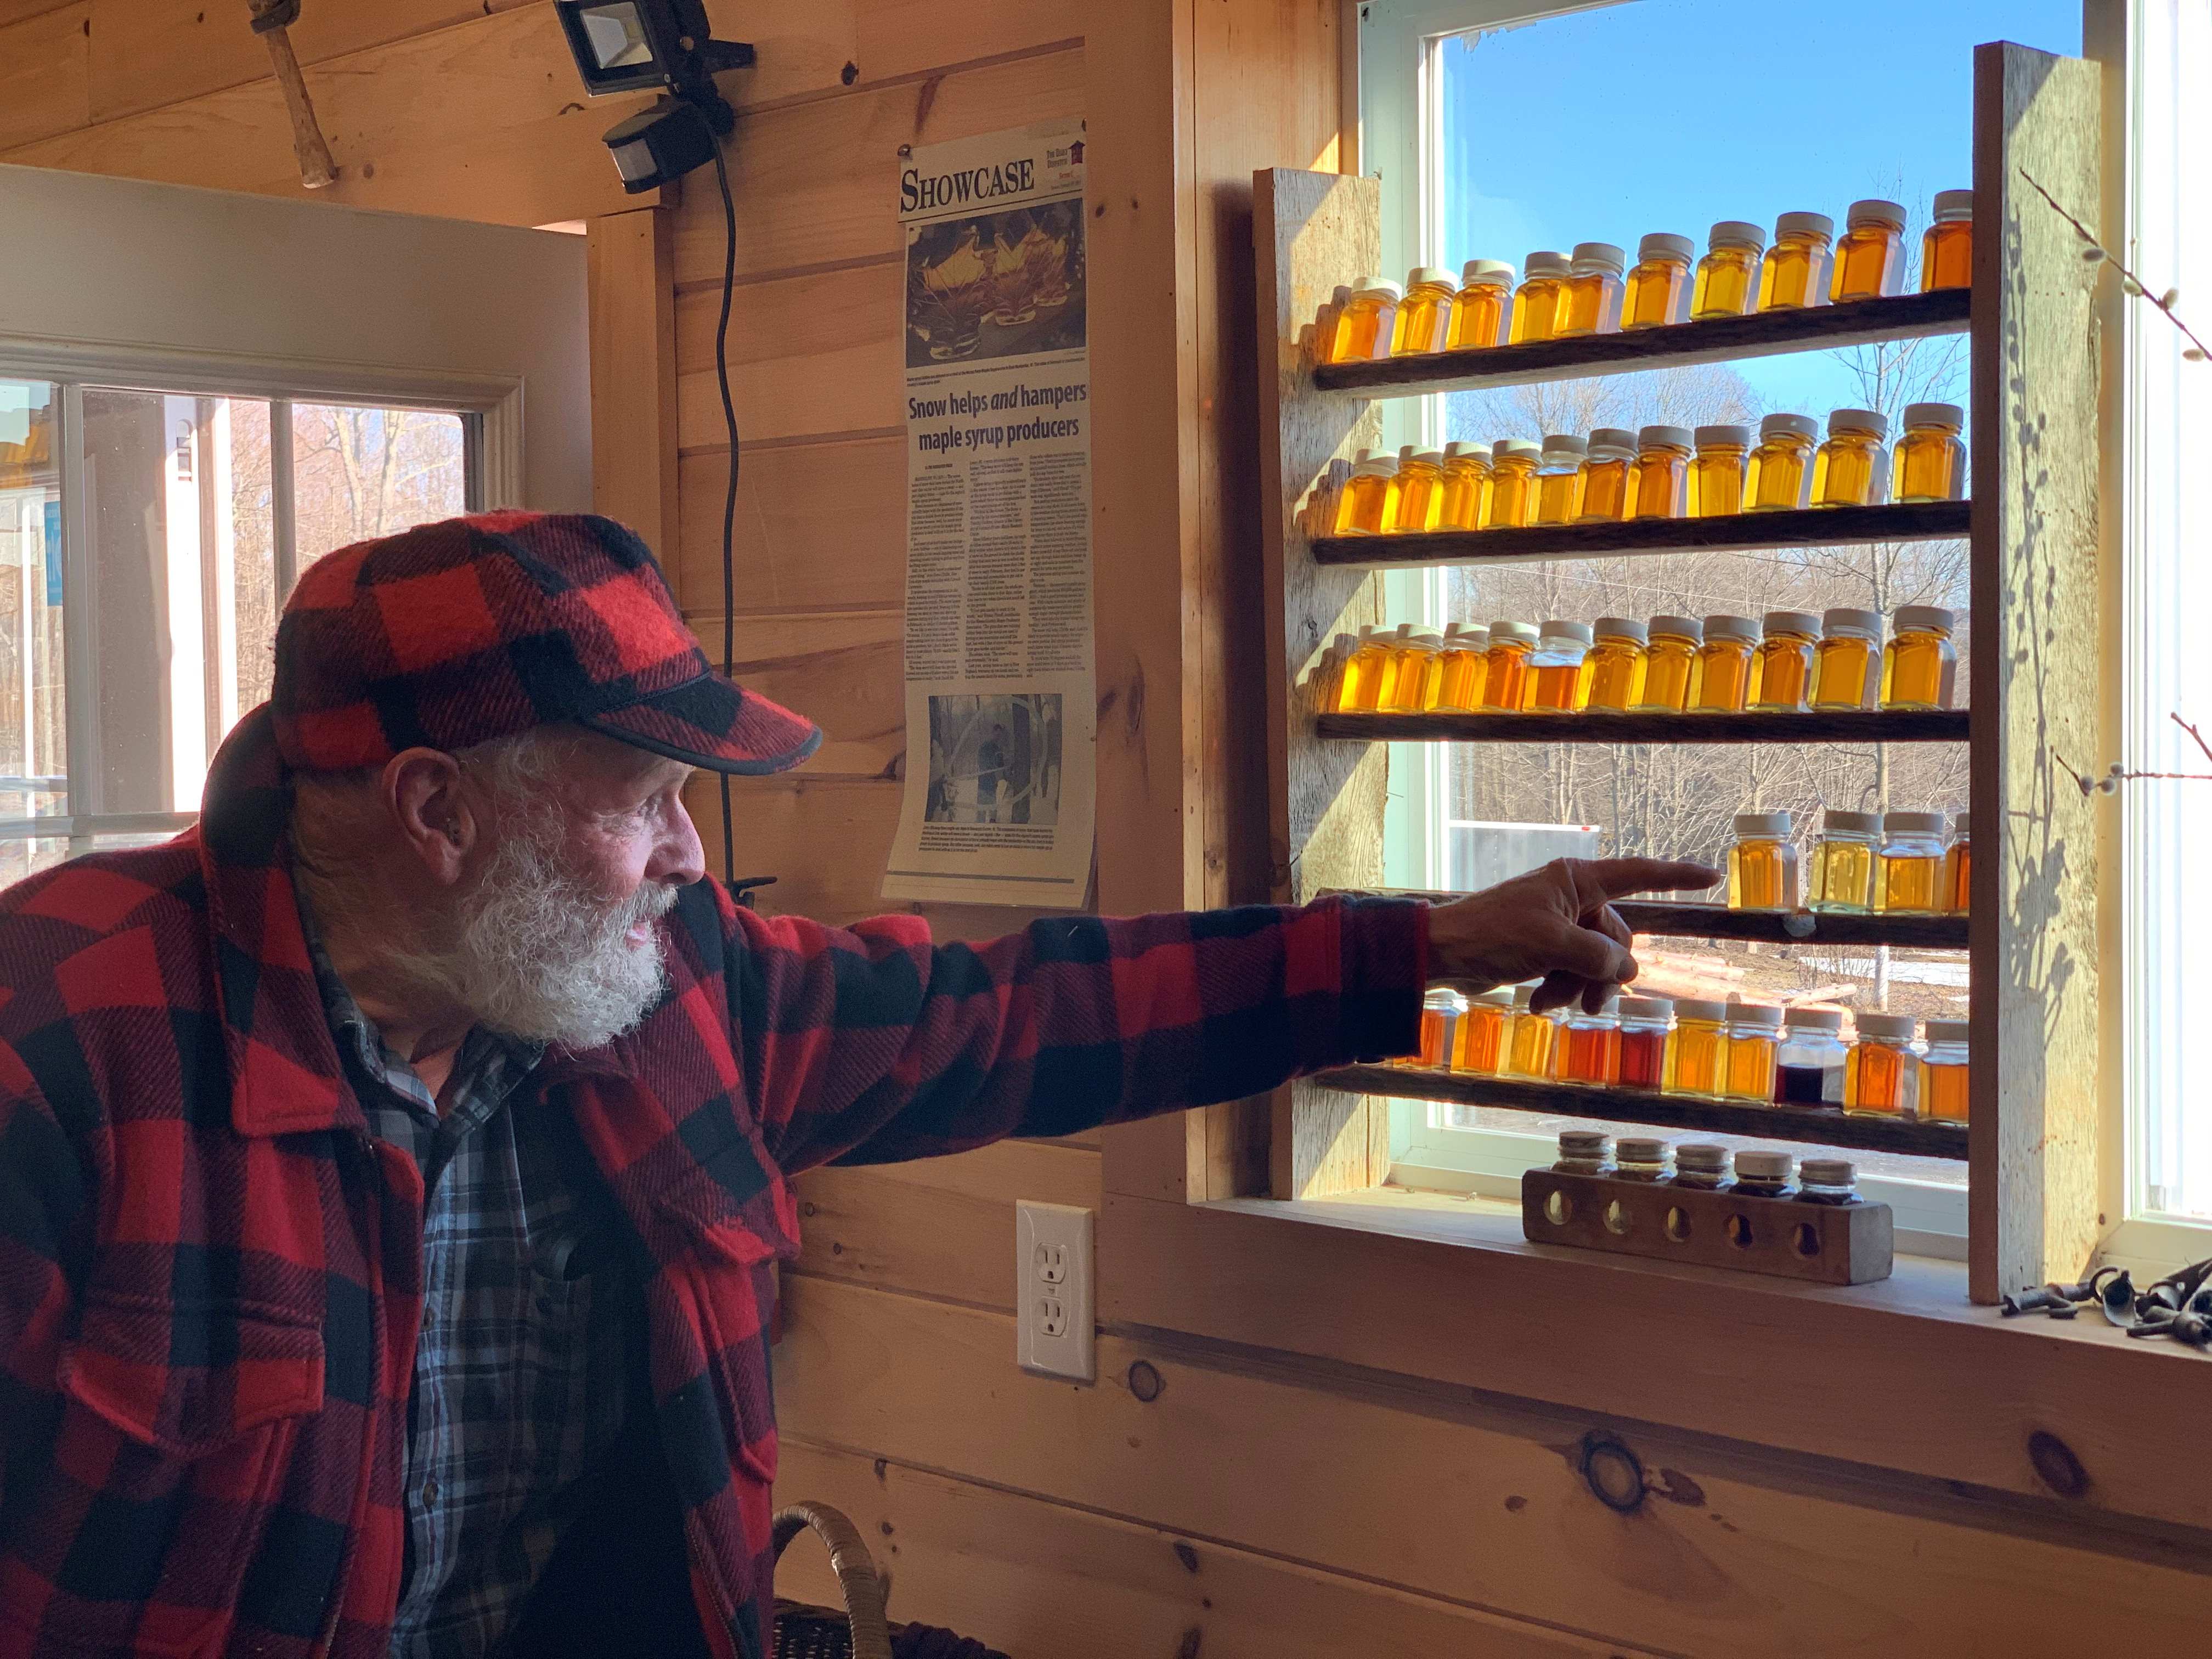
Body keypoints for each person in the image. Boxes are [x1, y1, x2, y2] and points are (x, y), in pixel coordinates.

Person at [0, 512, 1712, 1659]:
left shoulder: (661, 992)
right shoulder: (57, 1044)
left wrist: (1413, 947)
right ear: (439, 816)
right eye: (647, 800)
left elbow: (1016, 1017)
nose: (691, 858)